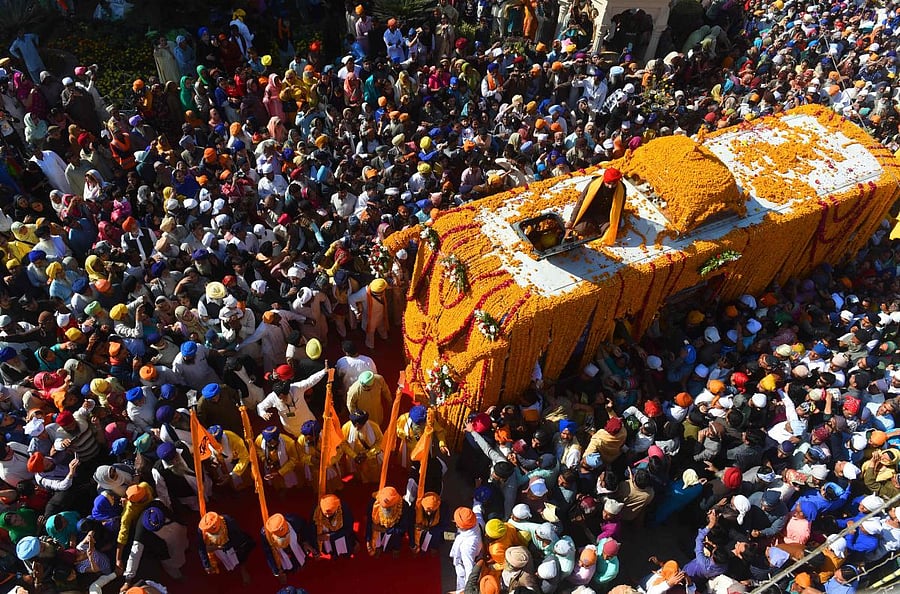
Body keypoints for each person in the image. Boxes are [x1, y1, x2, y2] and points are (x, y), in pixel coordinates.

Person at [566, 166, 626, 245]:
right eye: (608, 183)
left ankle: (598, 228)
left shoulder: (621, 189)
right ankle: (592, 226)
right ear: (604, 180)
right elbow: (581, 202)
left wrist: (617, 226)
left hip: (604, 217)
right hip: (589, 213)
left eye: (614, 184)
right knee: (580, 230)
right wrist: (572, 220)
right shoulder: (593, 184)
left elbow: (620, 208)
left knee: (609, 232)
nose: (611, 186)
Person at [197, 511, 255, 584]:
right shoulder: (202, 529)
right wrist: (207, 565)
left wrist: (220, 547)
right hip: (216, 548)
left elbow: (238, 538)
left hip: (230, 544)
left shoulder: (228, 521)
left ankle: (243, 570)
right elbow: (201, 547)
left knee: (240, 554)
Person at [449, 506, 482, 591]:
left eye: (457, 523)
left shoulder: (468, 546)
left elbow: (469, 569)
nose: (456, 524)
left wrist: (468, 590)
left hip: (462, 569)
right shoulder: (477, 520)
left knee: (461, 587)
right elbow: (478, 509)